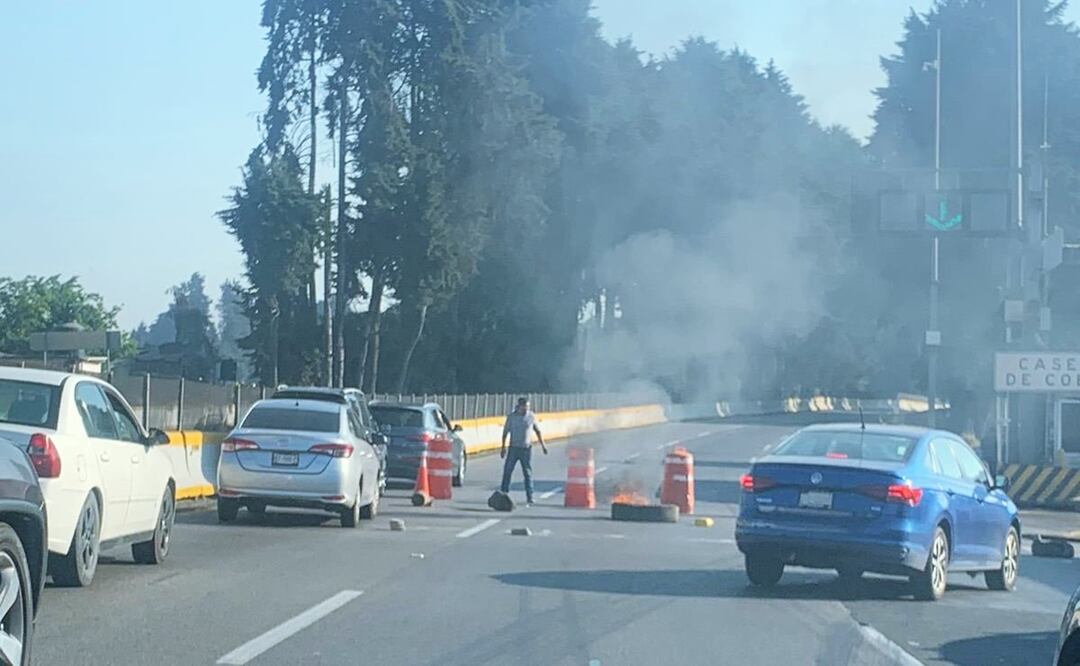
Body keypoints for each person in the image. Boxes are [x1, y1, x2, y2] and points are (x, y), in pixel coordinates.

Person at [500, 397, 547, 505]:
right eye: (524, 407)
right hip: (513, 448)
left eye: (527, 407)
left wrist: (543, 446)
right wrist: (503, 447)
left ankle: (530, 496)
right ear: (519, 406)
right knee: (508, 471)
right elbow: (505, 433)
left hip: (526, 449)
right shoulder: (512, 417)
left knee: (527, 473)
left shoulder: (531, 416)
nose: (526, 409)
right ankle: (503, 493)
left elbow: (537, 431)